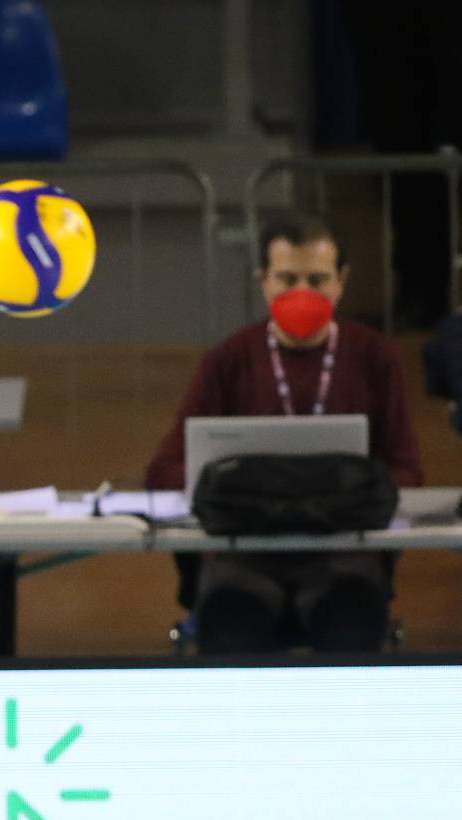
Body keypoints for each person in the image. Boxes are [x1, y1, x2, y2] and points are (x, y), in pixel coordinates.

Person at [144, 213, 424, 653]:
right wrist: (235, 488)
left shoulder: (374, 357)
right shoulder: (228, 359)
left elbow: (406, 469)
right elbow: (164, 469)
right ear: (263, 281)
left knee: (350, 621)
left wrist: (349, 495)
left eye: (317, 279)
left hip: (341, 550)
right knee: (233, 623)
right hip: (244, 551)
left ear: (342, 281)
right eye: (287, 279)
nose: (302, 293)